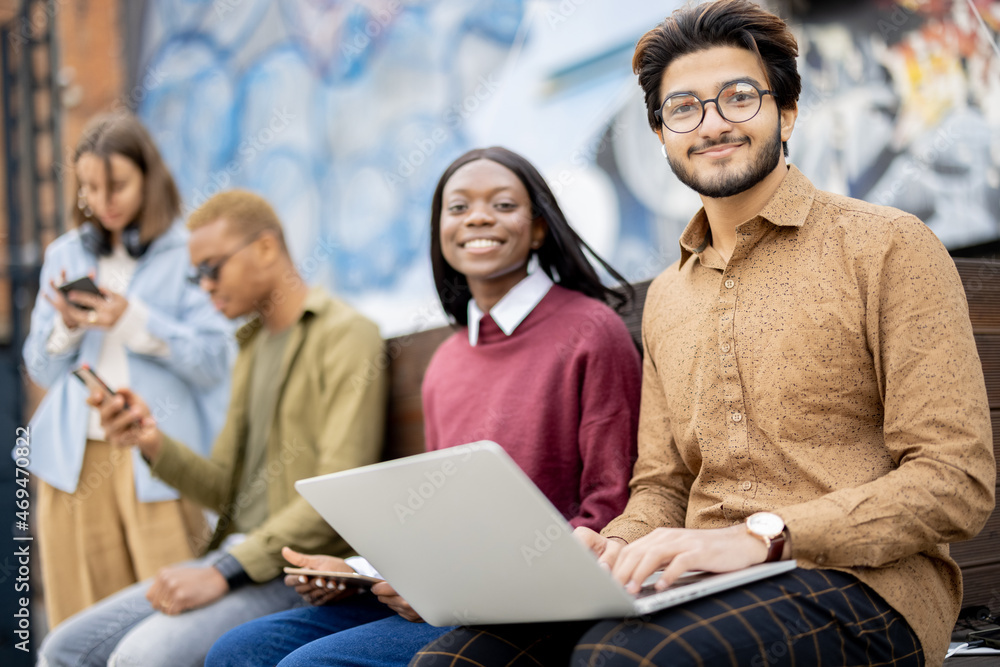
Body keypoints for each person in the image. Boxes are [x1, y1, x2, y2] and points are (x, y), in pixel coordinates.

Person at [412, 2, 996, 666]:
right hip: (694, 581)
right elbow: (661, 484)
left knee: (621, 659)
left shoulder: (888, 247)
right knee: (454, 661)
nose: (712, 123)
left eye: (739, 98)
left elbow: (956, 481)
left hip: (867, 588)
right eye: (684, 108)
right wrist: (614, 543)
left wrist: (763, 536)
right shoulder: (667, 296)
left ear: (788, 112)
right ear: (662, 135)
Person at [204, 146, 643, 667]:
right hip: (448, 596)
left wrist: (454, 586)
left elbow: (610, 509)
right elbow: (440, 521)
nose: (478, 216)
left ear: (539, 228)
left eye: (502, 205)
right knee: (239, 651)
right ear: (441, 231)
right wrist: (362, 572)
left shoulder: (592, 331)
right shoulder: (447, 362)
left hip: (537, 601)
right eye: (458, 208)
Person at [37, 190, 389, 667]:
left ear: (265, 248)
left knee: (141, 658)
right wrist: (152, 442)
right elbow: (224, 486)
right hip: (237, 558)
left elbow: (335, 498)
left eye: (211, 268)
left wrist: (223, 570)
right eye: (194, 273)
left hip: (300, 574)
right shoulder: (250, 346)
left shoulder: (346, 336)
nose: (203, 286)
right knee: (64, 648)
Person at [21, 112, 232, 628]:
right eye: (90, 187)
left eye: (116, 184)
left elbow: (214, 359)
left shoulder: (189, 251)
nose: (103, 200)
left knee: (171, 624)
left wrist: (133, 320)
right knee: (82, 622)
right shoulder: (65, 255)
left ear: (148, 177)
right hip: (74, 463)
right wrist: (68, 327)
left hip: (159, 458)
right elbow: (41, 369)